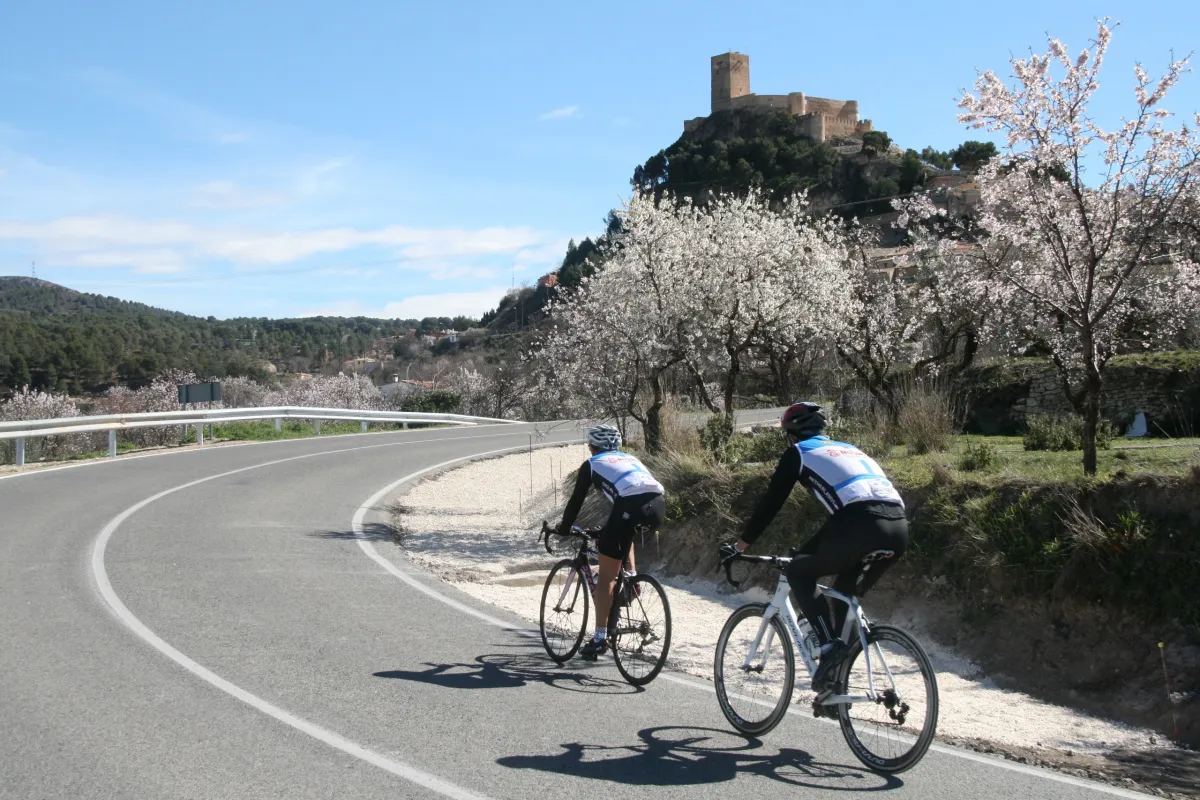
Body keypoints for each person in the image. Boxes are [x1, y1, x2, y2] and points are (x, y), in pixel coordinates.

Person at [722, 402, 908, 691]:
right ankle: (835, 680)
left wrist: (741, 545)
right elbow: (854, 509)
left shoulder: (799, 452)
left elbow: (771, 504)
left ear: (792, 435)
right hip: (898, 527)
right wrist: (805, 552)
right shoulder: (849, 448)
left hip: (858, 522)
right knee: (841, 592)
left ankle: (830, 649)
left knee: (799, 572)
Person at [558, 424, 666, 659]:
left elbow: (576, 500)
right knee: (624, 533)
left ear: (592, 446)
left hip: (630, 505)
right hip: (658, 505)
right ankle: (631, 578)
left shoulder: (592, 464)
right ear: (617, 445)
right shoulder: (631, 458)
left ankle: (599, 638)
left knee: (606, 576)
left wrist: (564, 528)